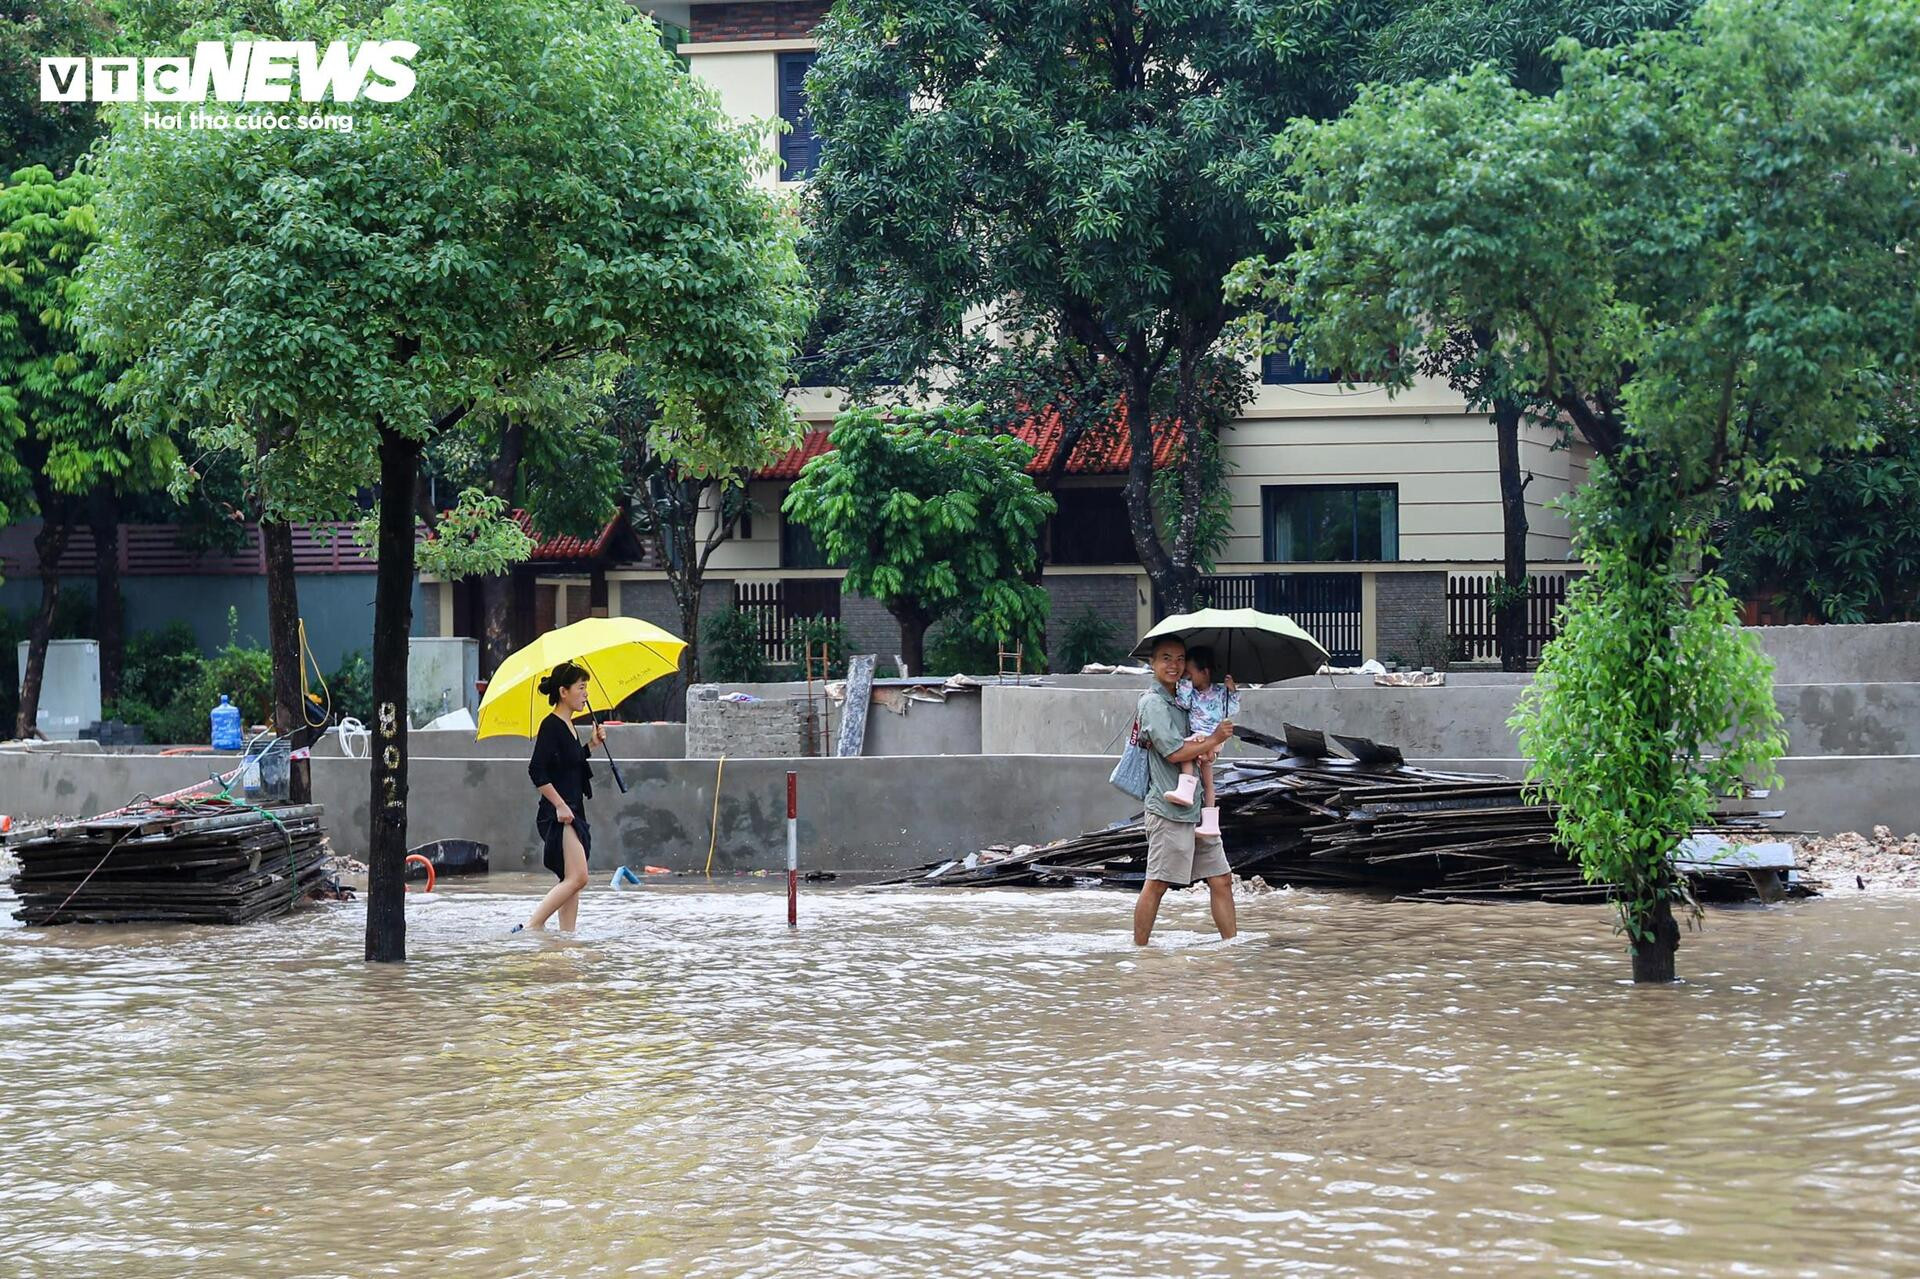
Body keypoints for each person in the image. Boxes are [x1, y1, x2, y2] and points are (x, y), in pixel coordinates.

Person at [1133, 636, 1238, 946]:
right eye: (1166, 658)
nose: (1174, 665)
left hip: (1198, 810)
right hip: (1169, 809)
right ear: (1152, 663)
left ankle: (1231, 950)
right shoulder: (1152, 703)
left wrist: (1216, 734)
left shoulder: (1185, 698)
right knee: (1158, 883)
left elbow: (1202, 736)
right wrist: (1213, 737)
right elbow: (1174, 752)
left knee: (1222, 879)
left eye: (1180, 659)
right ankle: (1140, 953)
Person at [511, 661, 607, 934]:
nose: (585, 694)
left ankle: (567, 937)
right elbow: (537, 770)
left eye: (586, 687)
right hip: (558, 814)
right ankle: (532, 926)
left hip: (574, 809)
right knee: (579, 877)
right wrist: (560, 805)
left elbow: (570, 765)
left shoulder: (570, 726)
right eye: (581, 687)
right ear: (564, 692)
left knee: (571, 879)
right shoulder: (551, 725)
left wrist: (591, 745)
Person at [1164, 645, 1239, 837]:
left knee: (1186, 755)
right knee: (1207, 782)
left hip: (1211, 738)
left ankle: (1187, 792)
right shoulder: (1192, 693)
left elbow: (1232, 710)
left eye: (1190, 674)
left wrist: (1233, 691)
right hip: (1202, 737)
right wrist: (1185, 686)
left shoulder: (1221, 692)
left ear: (1205, 672)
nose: (1186, 677)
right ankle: (1209, 822)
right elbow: (1183, 703)